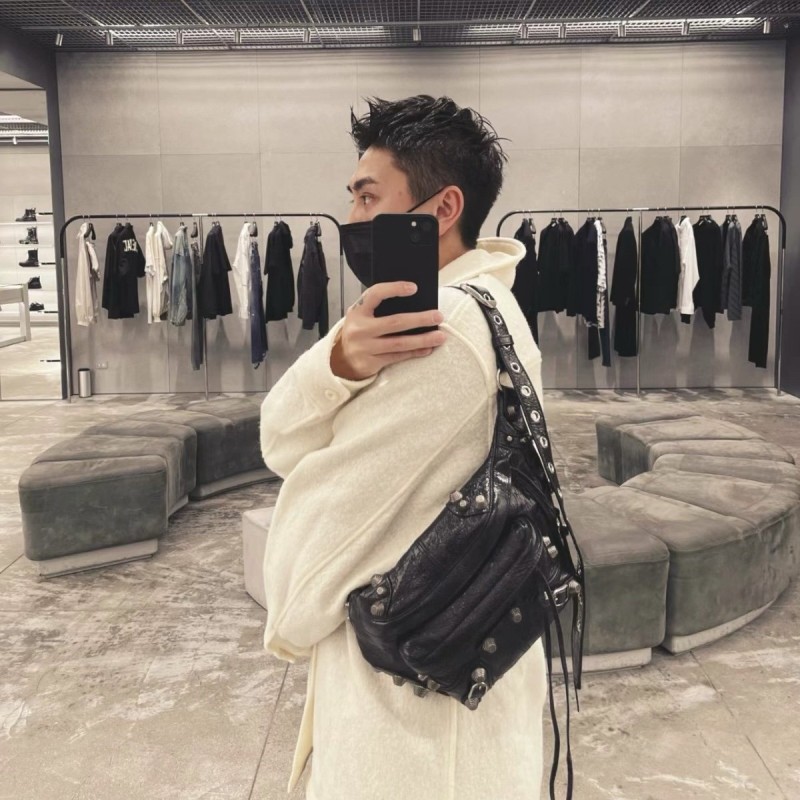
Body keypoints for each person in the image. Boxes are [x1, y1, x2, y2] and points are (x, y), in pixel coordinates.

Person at [260, 95, 546, 800]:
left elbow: (328, 516)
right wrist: (339, 363)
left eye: (367, 196)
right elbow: (280, 440)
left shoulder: (445, 326)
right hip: (447, 680)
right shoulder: (478, 303)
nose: (352, 216)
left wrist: (288, 608)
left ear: (442, 208)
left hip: (416, 721)